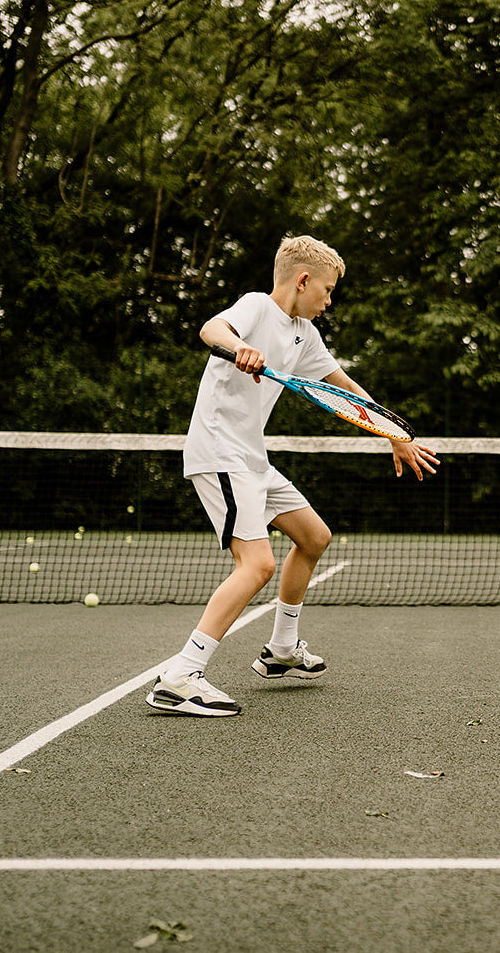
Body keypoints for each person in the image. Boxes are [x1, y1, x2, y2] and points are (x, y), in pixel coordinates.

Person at [146, 235, 439, 716]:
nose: (328, 301)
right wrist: (240, 347)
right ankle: (181, 676)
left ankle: (282, 648)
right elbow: (211, 328)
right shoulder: (257, 307)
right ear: (302, 280)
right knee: (257, 565)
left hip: (252, 459)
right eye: (326, 290)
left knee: (314, 537)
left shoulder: (306, 334)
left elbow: (345, 387)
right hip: (220, 452)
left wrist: (393, 433)